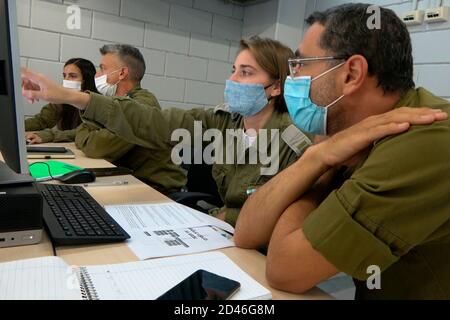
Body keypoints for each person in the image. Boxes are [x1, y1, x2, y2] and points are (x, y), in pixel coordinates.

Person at [233, 4, 450, 299]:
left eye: (301, 65)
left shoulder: (421, 140)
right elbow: (246, 232)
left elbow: (285, 269)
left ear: (351, 74)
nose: (292, 79)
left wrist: (323, 161)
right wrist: (319, 157)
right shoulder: (350, 135)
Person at [21, 37, 314, 227]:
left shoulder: (292, 143)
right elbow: (154, 122)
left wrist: (225, 216)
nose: (232, 80)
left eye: (245, 73)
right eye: (233, 69)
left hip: (259, 252)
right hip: (224, 234)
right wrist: (73, 97)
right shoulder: (224, 121)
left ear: (276, 87)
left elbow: (284, 219)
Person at [74, 44, 186, 195]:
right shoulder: (116, 102)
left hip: (156, 191)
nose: (96, 75)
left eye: (102, 68)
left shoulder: (141, 104)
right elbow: (85, 130)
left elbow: (97, 147)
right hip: (130, 181)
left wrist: (84, 135)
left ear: (122, 73)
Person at [25, 58, 97, 144]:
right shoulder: (62, 99)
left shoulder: (97, 103)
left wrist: (49, 135)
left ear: (86, 80)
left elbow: (84, 131)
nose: (66, 80)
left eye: (72, 76)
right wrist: (14, 126)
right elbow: (42, 120)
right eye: (64, 76)